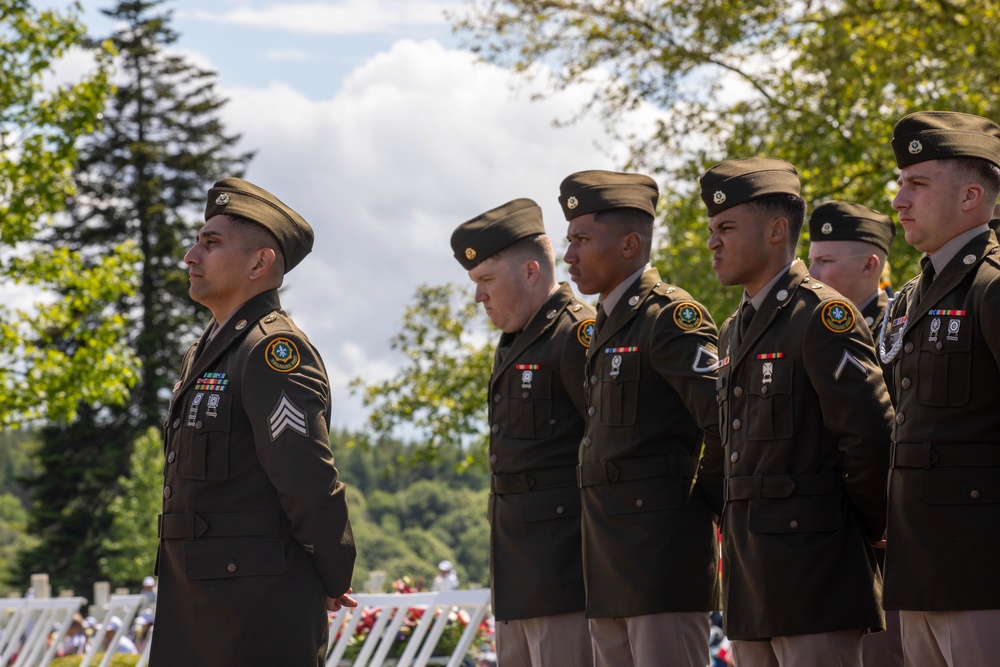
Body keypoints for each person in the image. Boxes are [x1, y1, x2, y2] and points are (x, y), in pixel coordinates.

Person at [150, 178, 357, 667]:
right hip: (199, 607)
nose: (190, 256)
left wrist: (333, 571)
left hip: (254, 616)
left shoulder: (271, 351)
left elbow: (307, 477)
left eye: (210, 243)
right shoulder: (207, 351)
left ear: (259, 263)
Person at [699, 157, 894, 667]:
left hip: (816, 576)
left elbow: (871, 441)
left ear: (777, 230)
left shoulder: (822, 318)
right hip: (750, 576)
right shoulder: (732, 330)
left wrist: (867, 535)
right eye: (711, 229)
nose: (712, 242)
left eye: (726, 227)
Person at [560, 170, 721, 667]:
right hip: (609, 561)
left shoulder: (668, 318)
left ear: (631, 244)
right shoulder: (605, 324)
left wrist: (701, 509)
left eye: (583, 240)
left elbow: (724, 422)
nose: (569, 257)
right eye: (569, 241)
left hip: (661, 561)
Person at [450, 198, 594, 667]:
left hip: (567, 578)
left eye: (486, 280)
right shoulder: (517, 340)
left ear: (531, 271)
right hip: (518, 577)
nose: (479, 297)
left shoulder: (577, 334)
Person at [880, 111, 1000, 666]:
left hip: (981, 571)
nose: (900, 200)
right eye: (902, 183)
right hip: (920, 567)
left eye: (917, 184)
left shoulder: (991, 286)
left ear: (972, 195)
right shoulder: (912, 296)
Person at [806, 200, 903, 667]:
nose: (811, 271)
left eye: (825, 261)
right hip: (821, 538)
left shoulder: (902, 326)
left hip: (889, 539)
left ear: (871, 264)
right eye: (810, 259)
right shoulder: (800, 326)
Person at [807, 201, 896, 332]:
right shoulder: (808, 325)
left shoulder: (895, 332)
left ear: (868, 266)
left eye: (825, 261)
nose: (810, 274)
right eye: (811, 261)